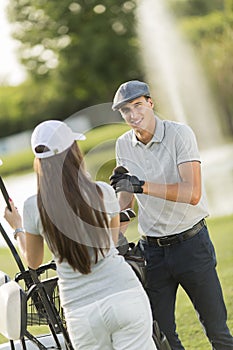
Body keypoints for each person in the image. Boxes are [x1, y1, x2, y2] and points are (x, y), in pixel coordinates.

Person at [4, 120, 157, 350]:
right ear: (73, 152)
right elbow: (112, 239)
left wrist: (17, 228)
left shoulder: (32, 207)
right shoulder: (103, 192)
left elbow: (33, 261)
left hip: (81, 312)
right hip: (124, 294)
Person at [110, 80, 233, 350]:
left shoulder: (180, 134)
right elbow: (126, 203)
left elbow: (193, 193)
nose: (133, 115)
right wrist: (114, 238)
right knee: (160, 335)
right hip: (152, 253)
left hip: (192, 244)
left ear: (150, 103)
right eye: (126, 111)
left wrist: (141, 185)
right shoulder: (123, 145)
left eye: (138, 105)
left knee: (217, 331)